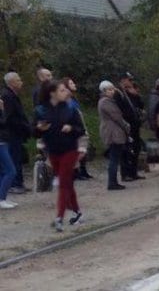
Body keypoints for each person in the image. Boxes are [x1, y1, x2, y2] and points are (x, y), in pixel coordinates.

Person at [35, 80, 86, 231]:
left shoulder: (71, 108)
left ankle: (59, 217)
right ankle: (77, 212)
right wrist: (39, 128)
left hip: (69, 149)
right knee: (67, 182)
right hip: (52, 150)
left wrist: (71, 128)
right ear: (53, 93)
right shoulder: (40, 110)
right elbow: (34, 132)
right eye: (62, 90)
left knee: (63, 182)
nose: (67, 92)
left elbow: (81, 129)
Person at [1, 71, 31, 194]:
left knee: (18, 157)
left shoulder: (13, 95)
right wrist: (23, 125)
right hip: (12, 133)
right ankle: (15, 184)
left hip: (17, 132)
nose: (21, 82)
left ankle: (18, 182)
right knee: (14, 158)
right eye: (18, 80)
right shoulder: (7, 96)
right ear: (12, 82)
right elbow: (8, 117)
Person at [98, 81, 130, 191]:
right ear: (104, 91)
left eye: (112, 89)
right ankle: (112, 182)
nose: (112, 91)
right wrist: (126, 126)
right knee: (114, 158)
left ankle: (113, 181)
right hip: (113, 131)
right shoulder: (106, 102)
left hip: (112, 130)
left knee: (115, 157)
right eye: (109, 90)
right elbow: (117, 116)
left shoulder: (107, 101)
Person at [115, 73, 145, 181]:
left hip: (135, 124)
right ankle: (125, 173)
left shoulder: (129, 93)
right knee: (126, 149)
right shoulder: (118, 93)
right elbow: (119, 109)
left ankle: (133, 172)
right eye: (129, 80)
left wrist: (136, 95)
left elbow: (141, 105)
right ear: (123, 80)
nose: (131, 82)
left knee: (136, 148)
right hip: (126, 125)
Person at [63, 77, 93, 180]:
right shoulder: (67, 101)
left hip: (79, 124)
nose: (74, 84)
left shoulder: (74, 99)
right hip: (73, 126)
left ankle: (83, 171)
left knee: (83, 148)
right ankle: (77, 171)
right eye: (71, 83)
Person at [0, 97, 18, 209]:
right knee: (11, 171)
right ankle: (1, 199)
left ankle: (3, 197)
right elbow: (3, 122)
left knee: (3, 171)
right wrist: (2, 110)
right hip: (0, 142)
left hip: (4, 141)